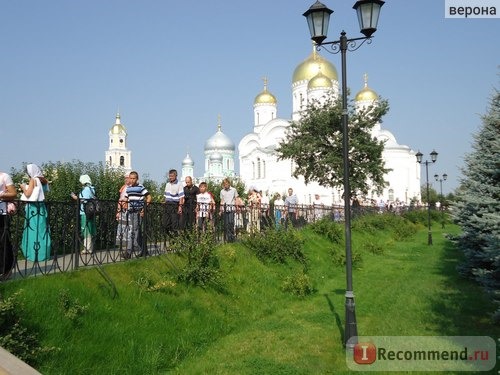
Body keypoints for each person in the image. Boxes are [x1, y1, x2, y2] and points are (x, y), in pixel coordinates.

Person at [20, 163, 51, 262]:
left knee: (33, 230)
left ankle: (33, 255)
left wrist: (23, 187)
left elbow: (28, 194)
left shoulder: (33, 180)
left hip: (33, 209)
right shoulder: (42, 180)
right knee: (42, 230)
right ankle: (44, 253)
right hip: (41, 207)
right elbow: (45, 191)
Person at [122, 171, 151, 259]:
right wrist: (125, 204)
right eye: (130, 178)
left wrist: (144, 208)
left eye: (133, 178)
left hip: (139, 211)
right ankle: (144, 250)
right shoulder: (128, 188)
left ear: (137, 179)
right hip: (131, 211)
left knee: (134, 230)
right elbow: (126, 198)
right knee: (136, 231)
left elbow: (149, 196)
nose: (132, 180)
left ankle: (129, 252)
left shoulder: (140, 187)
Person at [71, 175, 96, 254]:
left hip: (84, 212)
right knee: (90, 228)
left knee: (85, 229)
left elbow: (83, 200)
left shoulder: (86, 189)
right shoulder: (92, 189)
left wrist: (74, 197)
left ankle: (87, 248)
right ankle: (90, 247)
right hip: (91, 212)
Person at [0, 171, 17, 279]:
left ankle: (6, 269)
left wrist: (1, 195)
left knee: (3, 241)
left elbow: (13, 193)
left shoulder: (4, 176)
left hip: (1, 213)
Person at [163, 169, 184, 237]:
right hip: (167, 205)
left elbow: (181, 197)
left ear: (176, 176)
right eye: (169, 176)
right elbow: (166, 196)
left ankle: (175, 240)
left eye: (172, 176)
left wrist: (180, 207)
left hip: (174, 205)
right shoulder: (167, 184)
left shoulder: (179, 184)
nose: (170, 177)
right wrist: (164, 203)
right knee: (165, 223)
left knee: (174, 224)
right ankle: (171, 237)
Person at [219, 178, 238, 242]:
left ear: (229, 183)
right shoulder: (222, 191)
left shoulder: (233, 190)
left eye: (226, 184)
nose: (225, 185)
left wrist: (237, 207)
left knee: (231, 223)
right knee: (226, 224)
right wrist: (220, 210)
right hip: (225, 209)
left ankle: (232, 237)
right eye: (224, 184)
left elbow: (236, 199)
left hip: (231, 208)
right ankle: (228, 238)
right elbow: (222, 201)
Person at [115, 172, 130, 248]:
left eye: (127, 178)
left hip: (129, 209)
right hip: (122, 209)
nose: (126, 179)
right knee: (121, 227)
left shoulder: (132, 188)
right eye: (125, 178)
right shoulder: (123, 187)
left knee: (128, 227)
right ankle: (122, 244)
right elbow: (120, 199)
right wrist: (118, 211)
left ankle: (129, 245)